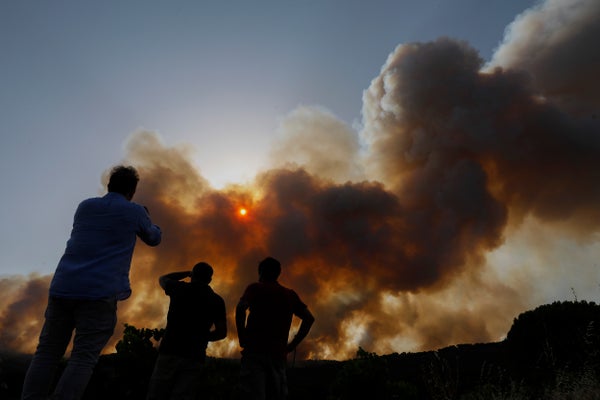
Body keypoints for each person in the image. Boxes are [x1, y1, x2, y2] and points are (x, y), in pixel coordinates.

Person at [22, 165, 162, 400]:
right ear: (132, 190)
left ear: (109, 185)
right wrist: (147, 218)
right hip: (98, 293)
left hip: (64, 287)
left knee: (46, 353)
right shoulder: (135, 212)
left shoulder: (85, 207)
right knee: (83, 358)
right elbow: (154, 238)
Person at [235, 257, 315, 400]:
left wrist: (242, 337)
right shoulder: (290, 294)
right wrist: (291, 345)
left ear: (260, 272)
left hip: (255, 353)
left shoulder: (255, 288)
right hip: (278, 355)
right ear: (278, 273)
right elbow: (309, 318)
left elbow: (241, 308)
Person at [146, 262, 227, 400]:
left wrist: (186, 273)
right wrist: (202, 337)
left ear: (192, 276)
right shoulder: (216, 300)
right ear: (209, 280)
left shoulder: (179, 288)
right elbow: (221, 333)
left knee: (157, 394)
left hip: (170, 351)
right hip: (195, 356)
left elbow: (163, 279)